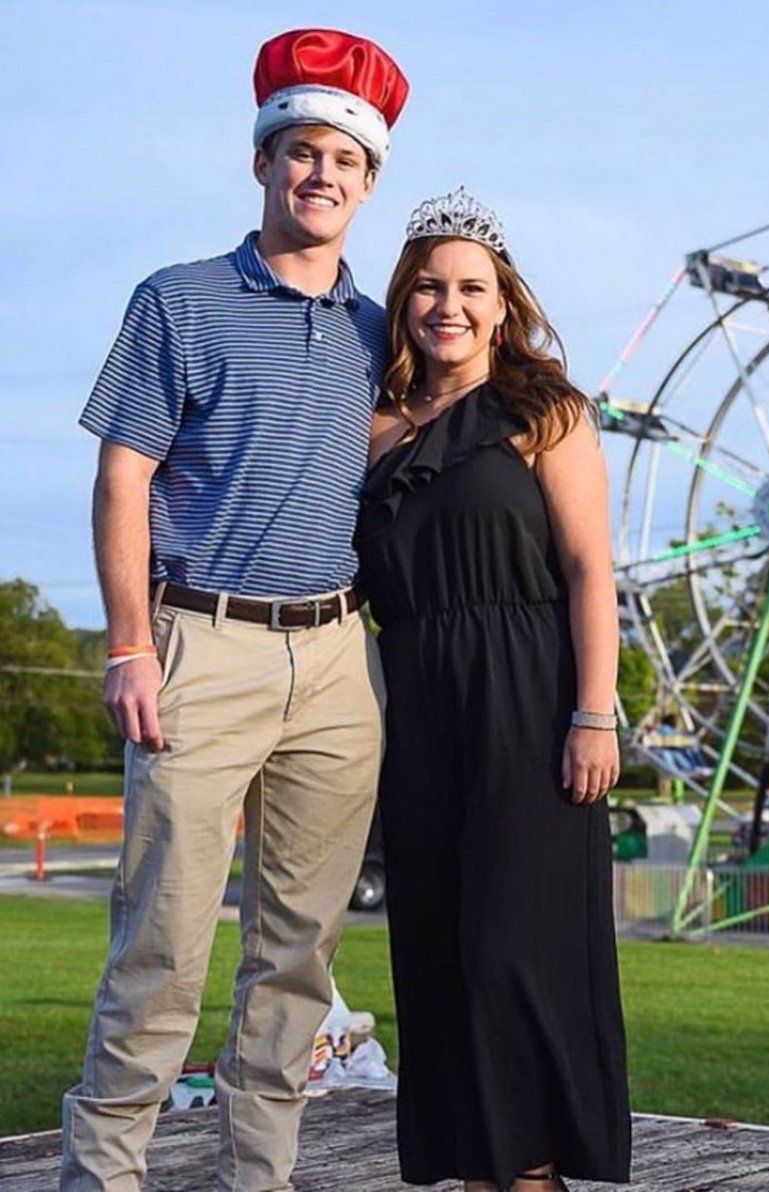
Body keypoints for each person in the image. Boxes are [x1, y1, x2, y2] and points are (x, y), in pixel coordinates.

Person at [61, 29, 407, 1191]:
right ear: (263, 164)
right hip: (197, 645)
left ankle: (256, 1179)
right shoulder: (180, 302)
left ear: (369, 183)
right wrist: (126, 645)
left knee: (296, 962)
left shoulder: (381, 333)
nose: (321, 175)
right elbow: (124, 477)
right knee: (161, 946)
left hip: (338, 658)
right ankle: (101, 1175)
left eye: (344, 161)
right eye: (300, 152)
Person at [357, 188, 632, 1191]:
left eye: (471, 287)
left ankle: (533, 1174)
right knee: (437, 957)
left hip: (531, 700)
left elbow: (592, 568)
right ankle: (481, 1173)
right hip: (418, 710)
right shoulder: (373, 426)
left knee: (514, 954)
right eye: (429, 286)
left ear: (503, 302)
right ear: (404, 299)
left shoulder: (543, 411)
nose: (449, 305)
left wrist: (593, 712)